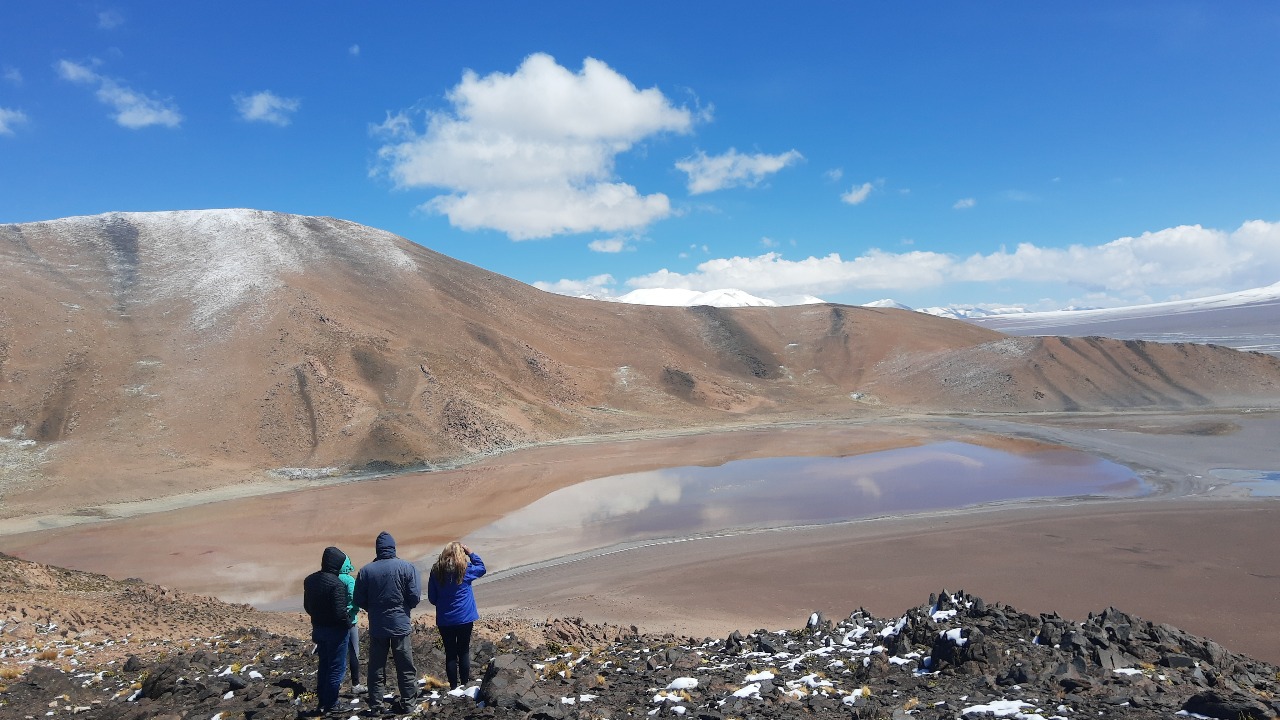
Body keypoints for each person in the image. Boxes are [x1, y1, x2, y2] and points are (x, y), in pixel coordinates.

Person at [353, 531, 421, 712]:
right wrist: (404, 608)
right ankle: (408, 704)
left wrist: (373, 609)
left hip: (378, 626)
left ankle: (376, 705)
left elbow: (358, 598)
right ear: (393, 547)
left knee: (376, 667)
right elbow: (414, 597)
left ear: (377, 549)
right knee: (405, 666)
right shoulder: (407, 567)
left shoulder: (366, 571)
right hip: (400, 625)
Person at [427, 542, 486, 690]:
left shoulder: (436, 571)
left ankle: (453, 686)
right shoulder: (465, 569)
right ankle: (464, 685)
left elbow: (432, 597)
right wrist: (471, 553)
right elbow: (482, 568)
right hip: (464, 617)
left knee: (450, 653)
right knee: (464, 651)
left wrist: (444, 604)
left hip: (445, 619)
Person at [302, 546, 351, 716]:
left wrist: (318, 617)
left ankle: (323, 700)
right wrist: (348, 623)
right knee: (336, 667)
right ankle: (331, 703)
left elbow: (307, 606)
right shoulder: (336, 584)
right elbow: (339, 613)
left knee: (324, 665)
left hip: (318, 629)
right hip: (336, 632)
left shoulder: (310, 580)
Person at [338, 554, 365, 694]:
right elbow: (354, 598)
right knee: (354, 653)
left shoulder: (333, 579)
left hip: (335, 622)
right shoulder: (349, 580)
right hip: (351, 621)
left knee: (338, 654)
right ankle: (356, 684)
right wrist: (354, 609)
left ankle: (335, 684)